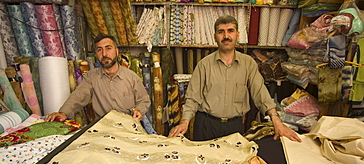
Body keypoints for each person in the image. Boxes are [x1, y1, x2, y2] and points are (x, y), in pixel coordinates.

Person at [168, 15, 301, 142]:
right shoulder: (204, 65)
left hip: (234, 127)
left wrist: (276, 120)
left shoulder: (248, 63)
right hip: (206, 126)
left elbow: (260, 94)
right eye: (221, 32)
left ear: (237, 34)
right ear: (215, 36)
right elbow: (192, 98)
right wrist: (184, 122)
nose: (226, 36)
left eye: (230, 31)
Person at [45, 33, 150, 123]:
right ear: (96, 54)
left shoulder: (131, 77)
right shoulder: (91, 77)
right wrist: (63, 113)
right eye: (99, 50)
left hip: (128, 126)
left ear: (117, 51)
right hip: (103, 128)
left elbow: (144, 100)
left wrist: (138, 110)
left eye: (108, 48)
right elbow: (78, 96)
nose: (104, 54)